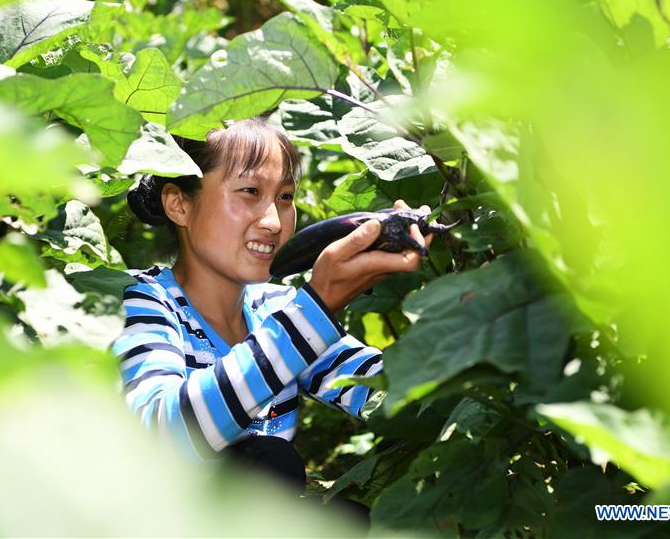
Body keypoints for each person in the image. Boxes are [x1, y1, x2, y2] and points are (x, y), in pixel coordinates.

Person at [112, 117, 432, 522]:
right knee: (269, 462)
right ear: (179, 204)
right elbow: (164, 434)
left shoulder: (273, 308)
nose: (274, 222)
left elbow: (384, 393)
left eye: (285, 196)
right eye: (249, 192)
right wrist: (317, 307)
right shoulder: (141, 302)